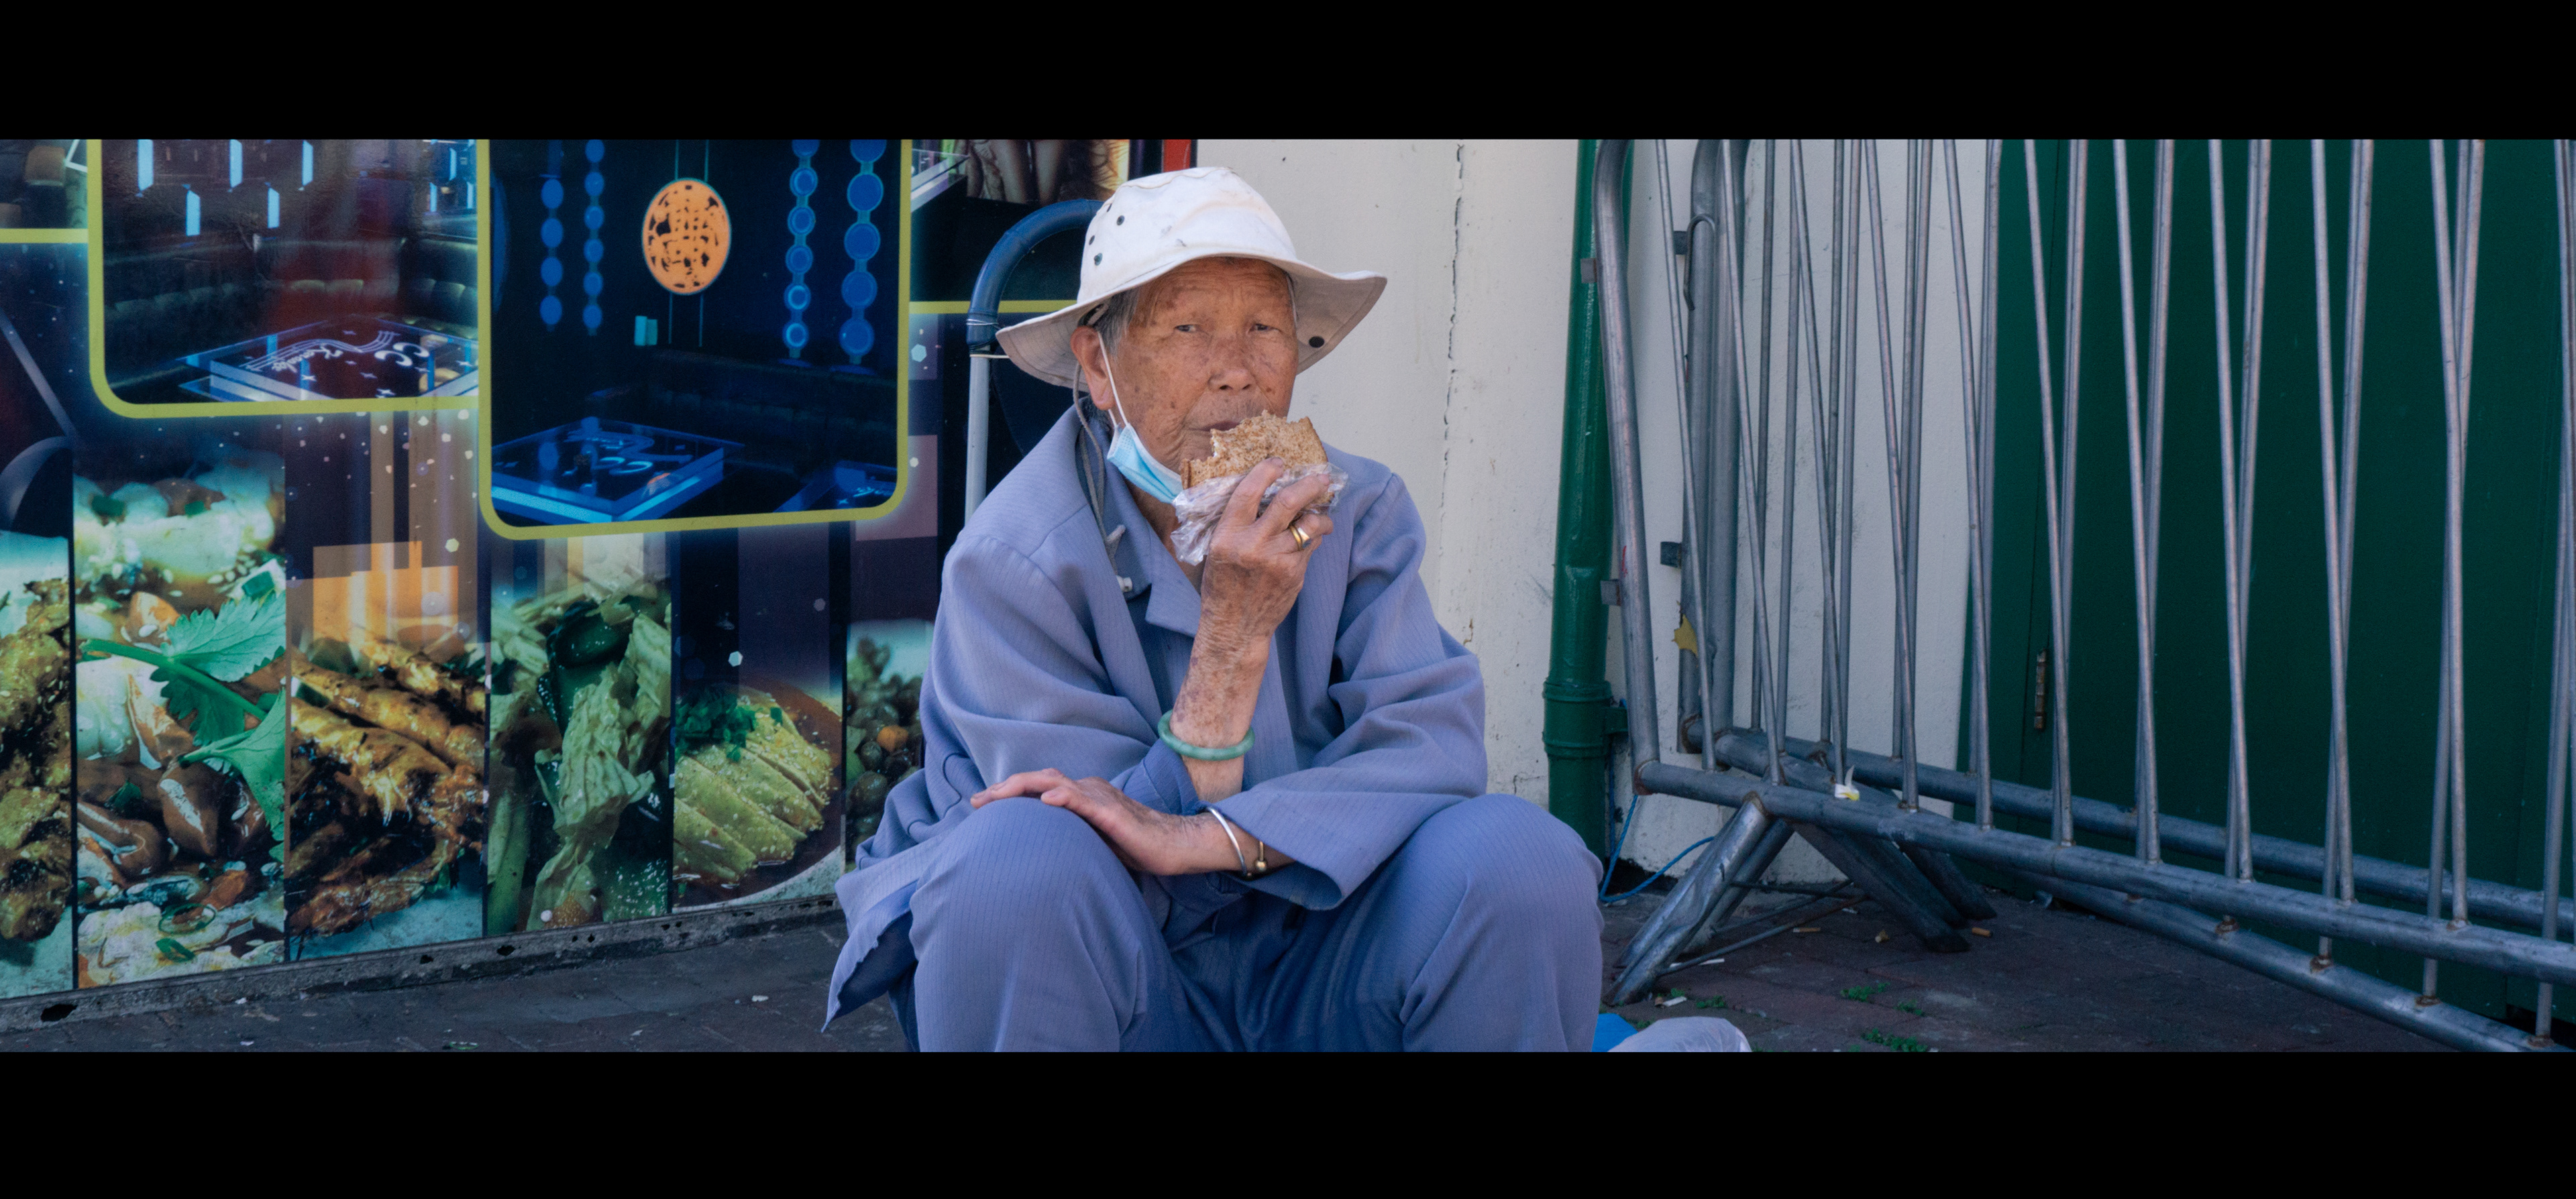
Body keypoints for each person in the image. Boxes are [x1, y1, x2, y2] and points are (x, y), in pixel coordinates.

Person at [822, 167, 1601, 1050]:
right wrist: (1231, 635)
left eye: (1265, 329)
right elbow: (1070, 838)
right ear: (1099, 366)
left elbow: (1430, 750)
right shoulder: (1015, 560)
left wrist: (1212, 838)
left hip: (1322, 958)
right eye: (1187, 328)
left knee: (1518, 857)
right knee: (1011, 869)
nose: (1237, 373)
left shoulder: (1360, 514)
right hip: (1125, 979)